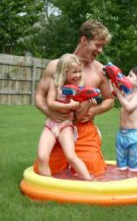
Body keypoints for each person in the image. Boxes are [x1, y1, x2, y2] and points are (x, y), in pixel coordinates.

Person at [33, 19, 114, 177]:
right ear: (83, 40)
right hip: (59, 125)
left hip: (84, 128)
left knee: (94, 172)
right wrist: (50, 112)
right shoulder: (56, 66)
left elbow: (110, 99)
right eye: (97, 45)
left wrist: (95, 110)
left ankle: (92, 153)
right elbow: (39, 96)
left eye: (102, 46)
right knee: (43, 168)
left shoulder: (100, 70)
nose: (101, 50)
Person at [37, 53, 94, 180]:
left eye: (80, 71)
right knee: (42, 157)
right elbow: (50, 103)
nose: (78, 75)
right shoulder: (55, 84)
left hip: (65, 126)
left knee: (71, 157)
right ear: (64, 71)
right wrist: (70, 106)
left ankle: (90, 182)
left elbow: (78, 107)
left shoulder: (79, 87)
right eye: (74, 72)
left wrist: (85, 103)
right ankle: (47, 186)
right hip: (50, 125)